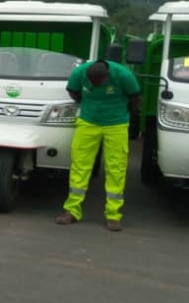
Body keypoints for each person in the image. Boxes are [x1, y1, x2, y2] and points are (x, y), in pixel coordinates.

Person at [56, 59, 141, 232]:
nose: (94, 85)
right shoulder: (79, 73)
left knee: (116, 168)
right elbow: (73, 92)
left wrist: (121, 113)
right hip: (88, 121)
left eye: (98, 82)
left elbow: (136, 99)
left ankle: (113, 214)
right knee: (80, 165)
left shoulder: (123, 75)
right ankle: (72, 211)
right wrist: (90, 107)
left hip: (116, 124)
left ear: (107, 76)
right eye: (91, 83)